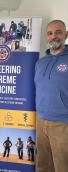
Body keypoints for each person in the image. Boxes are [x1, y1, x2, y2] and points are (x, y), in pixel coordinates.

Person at [34, 20, 68, 172]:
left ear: (66, 35)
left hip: (63, 124)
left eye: (58, 32)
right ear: (46, 37)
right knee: (43, 165)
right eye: (50, 33)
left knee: (62, 166)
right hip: (41, 122)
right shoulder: (40, 62)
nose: (54, 36)